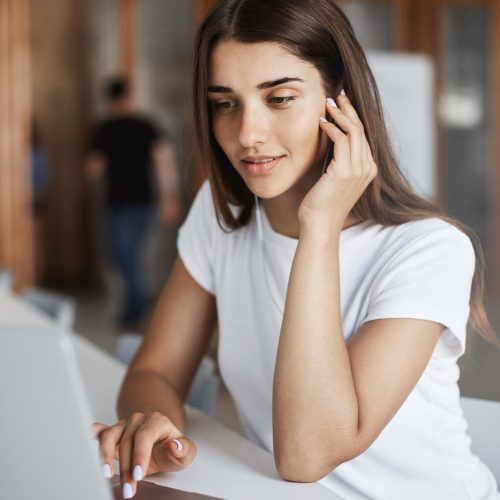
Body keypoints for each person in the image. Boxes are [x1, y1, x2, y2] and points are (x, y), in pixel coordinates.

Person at [93, 1, 500, 499]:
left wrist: (320, 227)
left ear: (340, 100)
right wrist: (156, 424)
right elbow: (154, 370)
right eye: (225, 103)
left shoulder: (429, 250)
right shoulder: (221, 217)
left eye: (280, 98)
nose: (248, 134)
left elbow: (307, 455)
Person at [86, 77, 182, 326]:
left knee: (123, 258)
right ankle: (137, 304)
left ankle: (135, 307)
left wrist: (169, 199)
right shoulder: (143, 126)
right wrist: (169, 198)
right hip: (138, 201)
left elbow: (94, 169)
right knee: (128, 257)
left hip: (123, 203)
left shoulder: (106, 129)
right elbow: (165, 164)